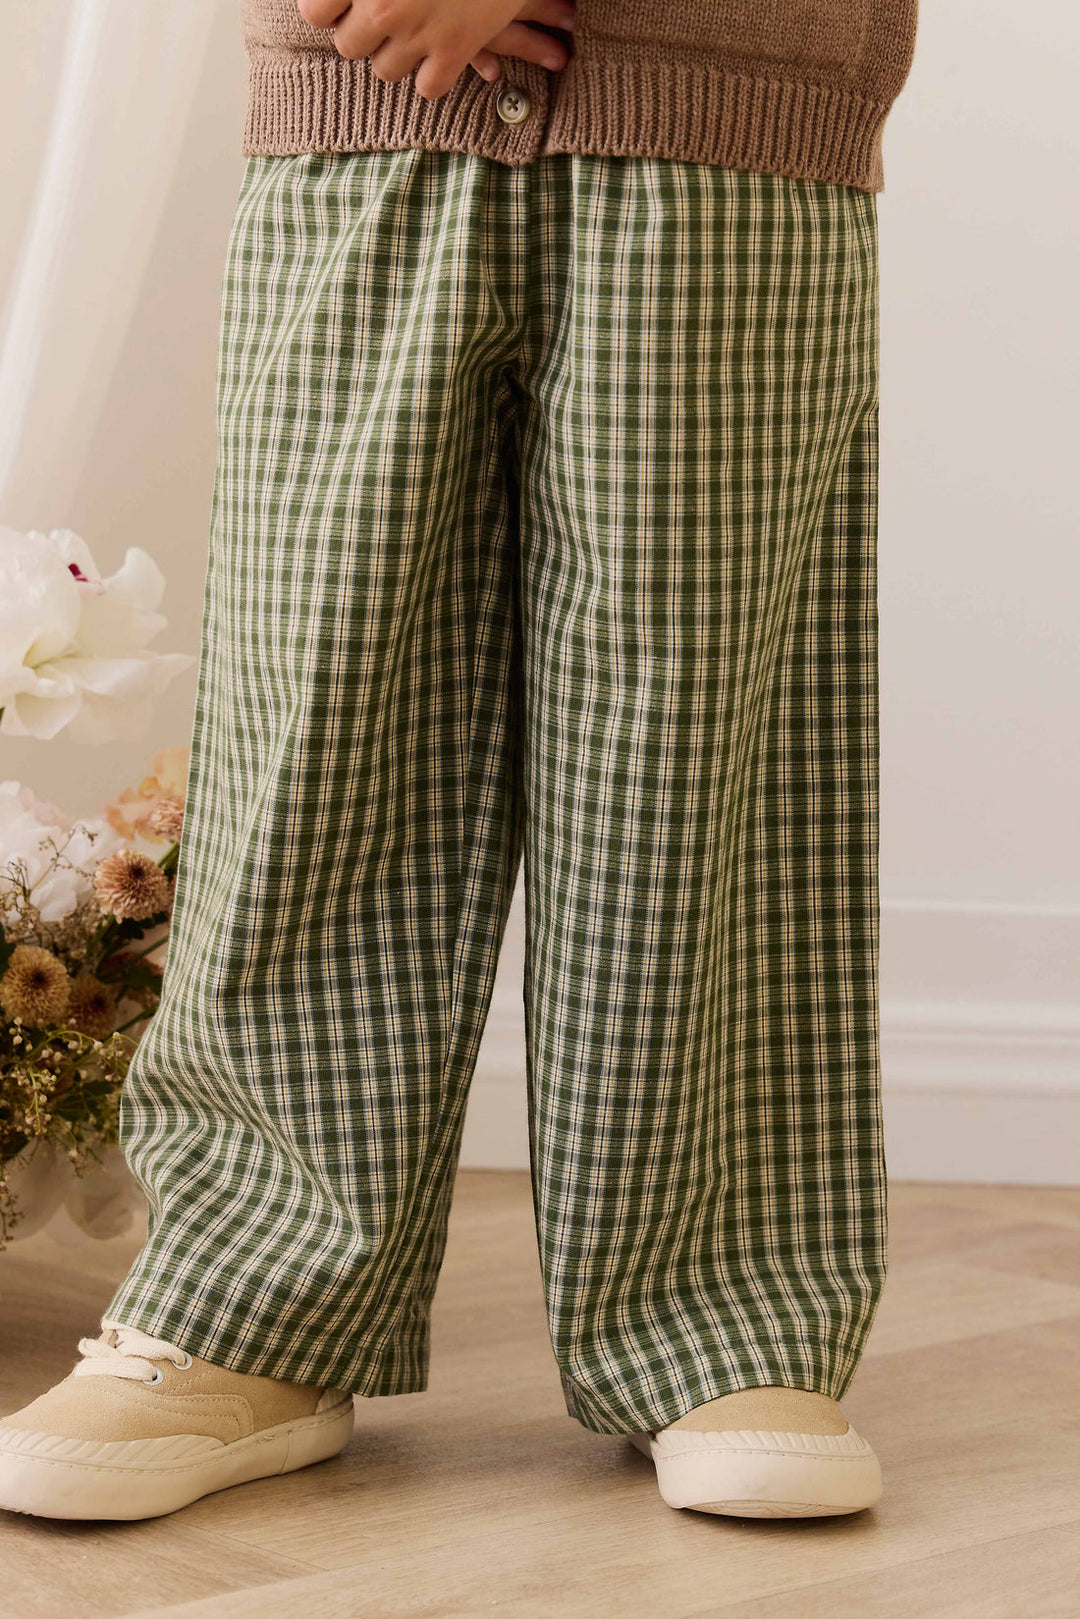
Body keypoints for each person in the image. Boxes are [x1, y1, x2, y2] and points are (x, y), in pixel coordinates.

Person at [0, 0, 919, 1523]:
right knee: (317, 733)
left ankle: (721, 1305)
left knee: (699, 742)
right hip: (359, 81)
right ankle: (247, 1306)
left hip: (732, 96)